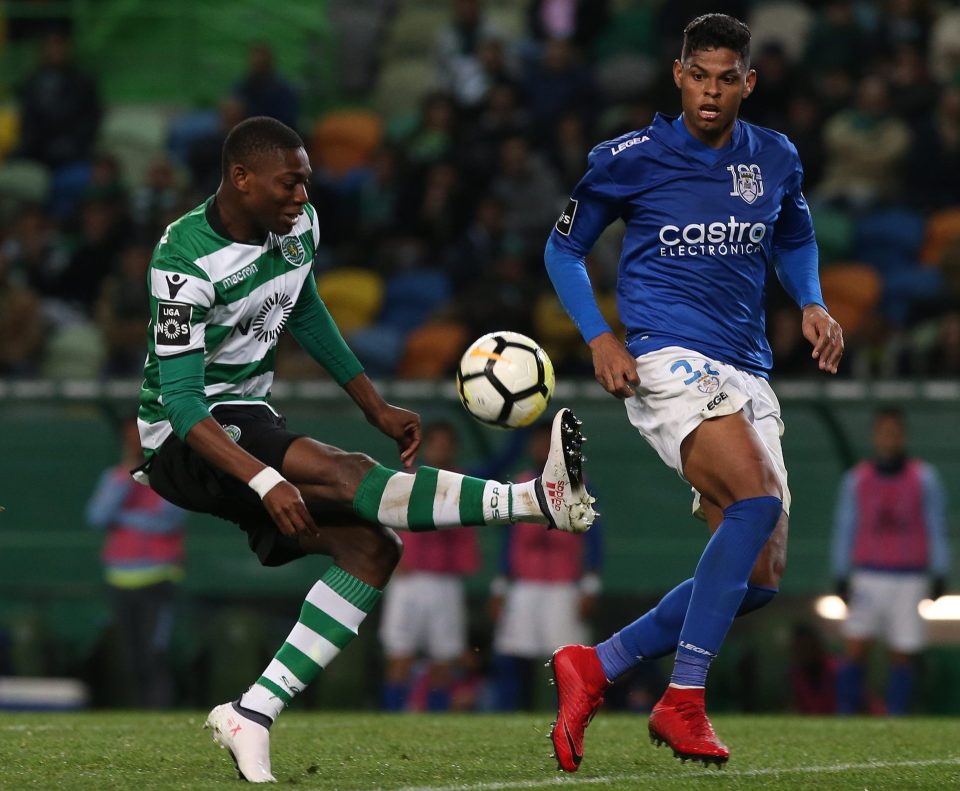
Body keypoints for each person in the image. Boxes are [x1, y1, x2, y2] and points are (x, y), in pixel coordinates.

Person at [134, 115, 597, 783]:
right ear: (240, 179)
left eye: (306, 183)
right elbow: (181, 405)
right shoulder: (183, 258)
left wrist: (373, 404)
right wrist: (266, 482)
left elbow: (305, 308)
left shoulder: (298, 229)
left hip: (247, 416)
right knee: (343, 470)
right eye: (288, 183)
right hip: (183, 438)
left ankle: (251, 712)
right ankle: (532, 499)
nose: (302, 196)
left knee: (373, 550)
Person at [542, 13, 844, 769]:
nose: (711, 93)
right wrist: (600, 335)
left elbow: (795, 234)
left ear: (749, 81)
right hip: (666, 354)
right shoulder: (628, 157)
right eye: (698, 76)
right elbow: (564, 247)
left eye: (725, 79)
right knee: (756, 500)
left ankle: (598, 663)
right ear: (678, 76)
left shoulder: (774, 157)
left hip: (747, 365)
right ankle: (683, 699)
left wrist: (811, 300)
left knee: (762, 575)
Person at [831, 408, 950, 716]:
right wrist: (841, 573)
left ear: (903, 436)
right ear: (875, 436)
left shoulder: (924, 478)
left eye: (895, 433)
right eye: (884, 432)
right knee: (856, 645)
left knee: (904, 651)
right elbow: (846, 526)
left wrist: (940, 570)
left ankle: (896, 715)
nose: (889, 439)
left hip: (909, 576)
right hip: (868, 574)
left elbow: (935, 523)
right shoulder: (857, 480)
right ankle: (846, 713)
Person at [489, 421, 603, 711]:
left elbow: (593, 539)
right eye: (538, 441)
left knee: (567, 661)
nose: (543, 448)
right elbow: (509, 539)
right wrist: (500, 587)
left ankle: (570, 719)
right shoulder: (520, 482)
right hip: (524, 585)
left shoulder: (580, 484)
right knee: (511, 657)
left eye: (549, 443)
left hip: (563, 587)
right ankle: (508, 720)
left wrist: (590, 586)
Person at [379, 421, 481, 712]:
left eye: (447, 443)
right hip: (408, 580)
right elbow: (383, 520)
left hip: (446, 580)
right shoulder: (407, 482)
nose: (442, 448)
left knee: (444, 659)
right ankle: (391, 720)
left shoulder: (468, 483)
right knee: (399, 655)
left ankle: (436, 719)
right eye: (437, 442)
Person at [85, 417, 187, 708]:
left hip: (158, 578)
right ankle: (142, 714)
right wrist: (125, 480)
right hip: (119, 579)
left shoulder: (169, 477)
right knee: (132, 657)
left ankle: (159, 715)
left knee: (154, 652)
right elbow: (97, 517)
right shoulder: (115, 477)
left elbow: (167, 521)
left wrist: (126, 519)